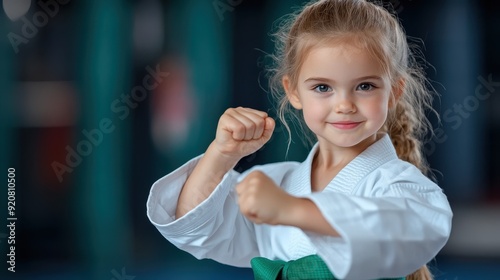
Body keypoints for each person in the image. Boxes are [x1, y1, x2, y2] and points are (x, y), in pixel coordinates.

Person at [146, 0, 453, 279]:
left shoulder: (398, 186)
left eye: (365, 86)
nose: (344, 104)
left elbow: (411, 231)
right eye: (322, 87)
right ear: (293, 91)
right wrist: (220, 155)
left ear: (394, 92)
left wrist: (292, 210)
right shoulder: (275, 184)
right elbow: (195, 227)